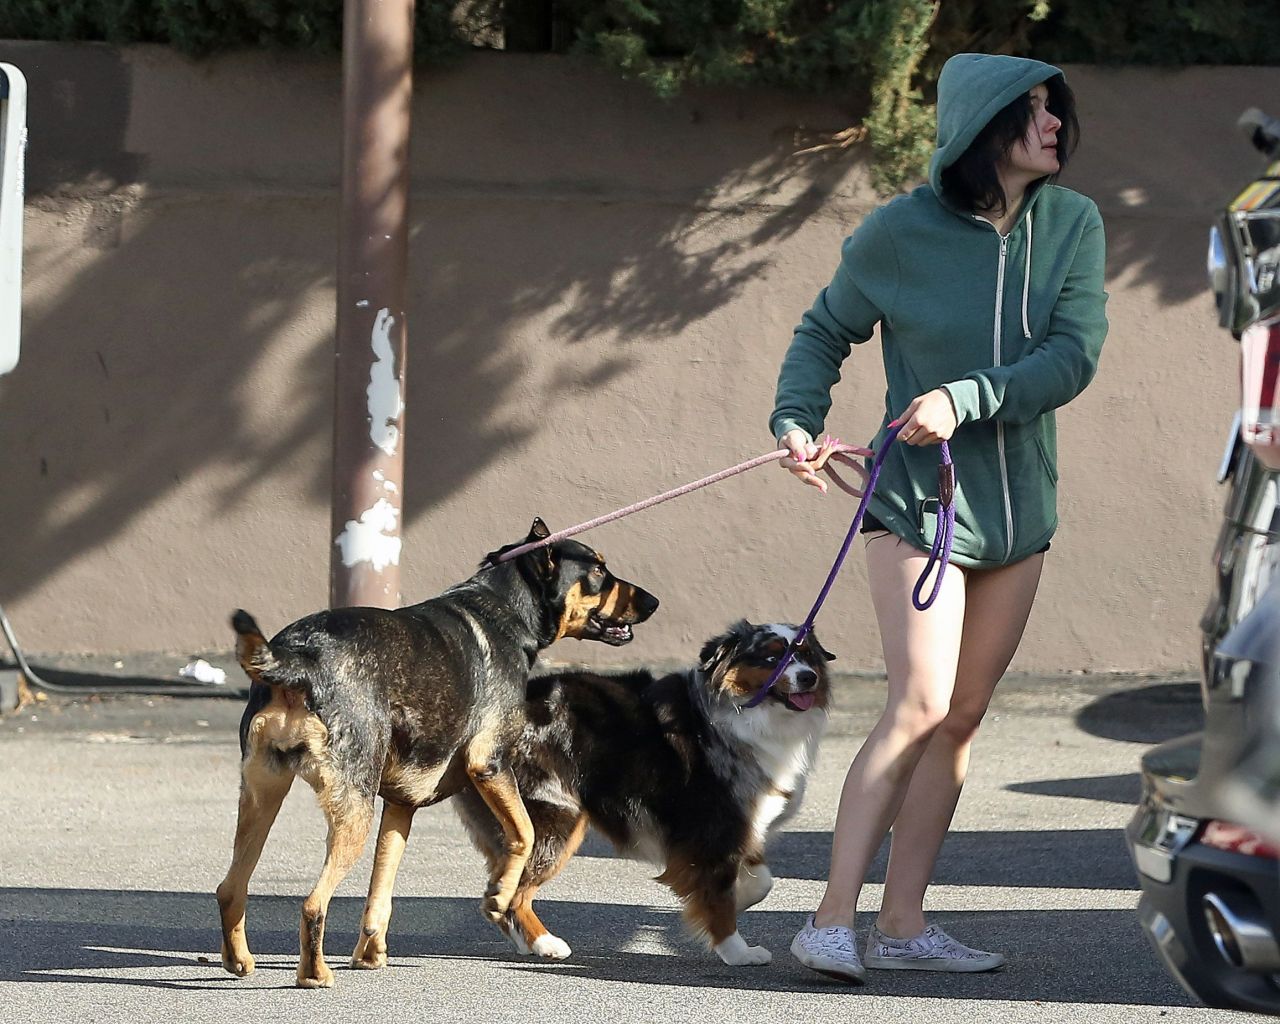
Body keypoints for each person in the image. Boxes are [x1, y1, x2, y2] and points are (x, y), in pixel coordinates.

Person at [770, 53, 1109, 982]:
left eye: (1055, 110)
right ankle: (830, 918)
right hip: (915, 507)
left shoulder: (1074, 224)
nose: (1054, 124)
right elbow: (823, 331)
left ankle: (907, 924)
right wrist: (797, 420)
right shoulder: (896, 235)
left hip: (1018, 515)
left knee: (959, 718)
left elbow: (1072, 358)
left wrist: (966, 396)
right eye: (1033, 110)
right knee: (917, 702)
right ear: (983, 127)